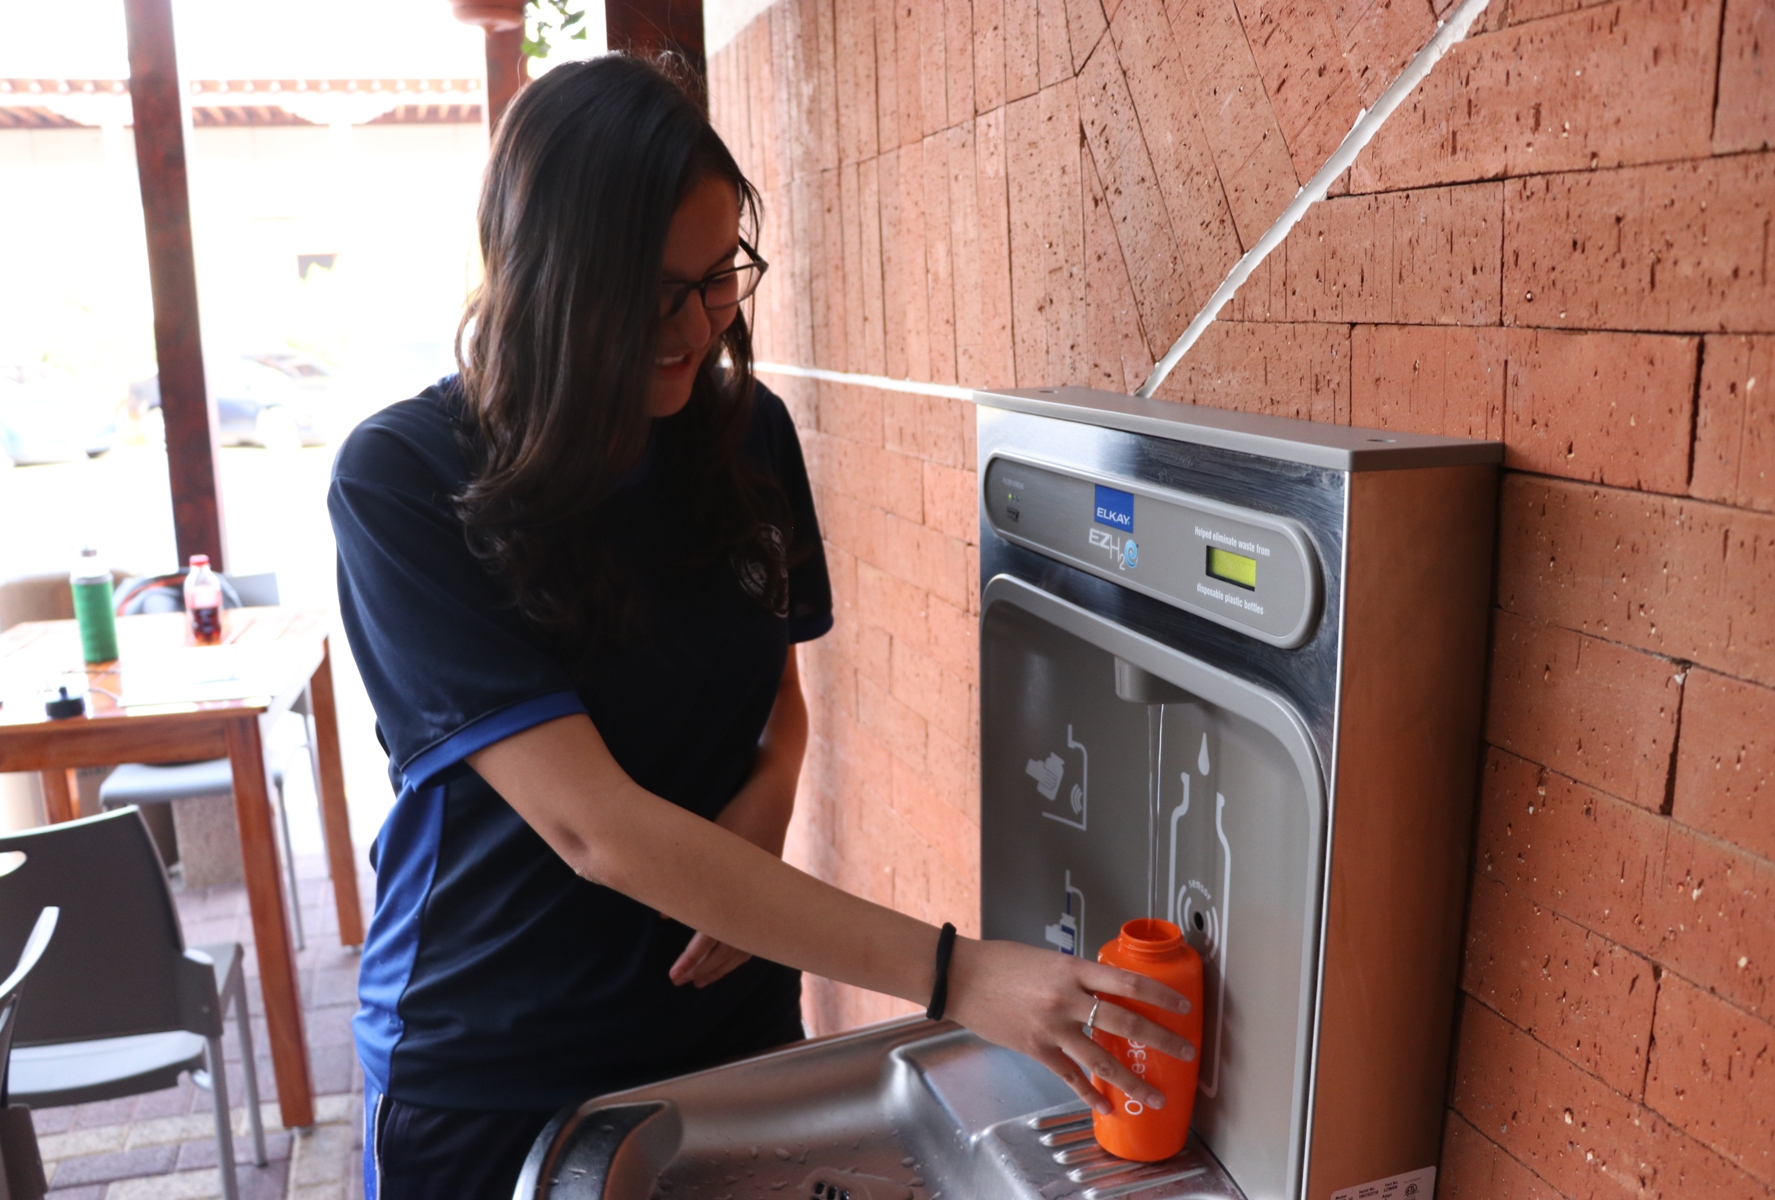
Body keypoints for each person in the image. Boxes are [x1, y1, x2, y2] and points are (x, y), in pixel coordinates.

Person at [328, 53, 1194, 1199]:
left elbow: (775, 698)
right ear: (548, 283)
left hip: (726, 1022)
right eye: (649, 292)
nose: (695, 325)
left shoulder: (747, 435)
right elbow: (595, 831)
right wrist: (957, 974)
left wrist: (769, 799)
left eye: (718, 274)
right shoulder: (403, 482)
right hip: (499, 1056)